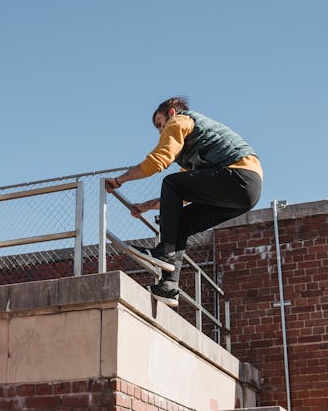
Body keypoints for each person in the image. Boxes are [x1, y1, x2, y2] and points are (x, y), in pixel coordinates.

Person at [105, 96, 262, 306]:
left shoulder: (181, 120)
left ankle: (164, 252)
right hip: (244, 193)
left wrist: (119, 180)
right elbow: (183, 196)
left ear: (171, 113)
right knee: (180, 223)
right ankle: (169, 286)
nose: (161, 131)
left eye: (160, 124)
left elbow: (159, 161)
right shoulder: (192, 149)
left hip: (237, 176)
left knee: (171, 182)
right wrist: (146, 206)